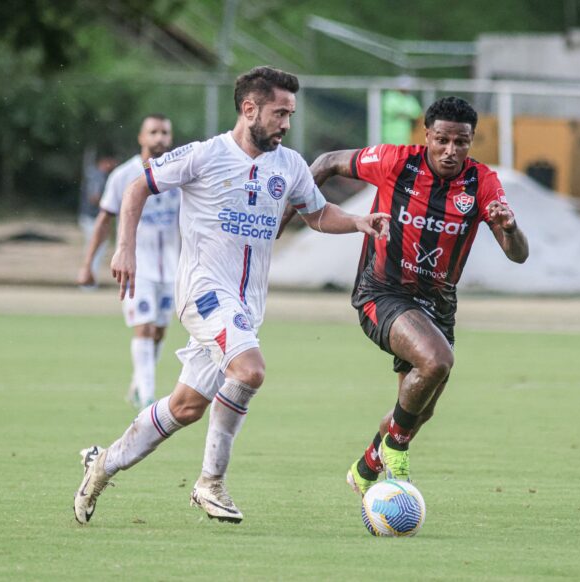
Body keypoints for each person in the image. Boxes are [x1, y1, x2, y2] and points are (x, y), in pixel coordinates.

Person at [73, 66, 390, 526]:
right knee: (250, 369)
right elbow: (139, 184)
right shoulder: (204, 155)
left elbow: (318, 214)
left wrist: (359, 222)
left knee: (185, 407)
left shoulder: (290, 165)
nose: (286, 123)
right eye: (279, 113)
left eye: (291, 114)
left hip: (246, 307)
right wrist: (124, 247)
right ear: (249, 109)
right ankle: (209, 483)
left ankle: (102, 465)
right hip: (203, 292)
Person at [307, 96, 529, 495]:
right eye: (441, 140)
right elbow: (326, 162)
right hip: (382, 292)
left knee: (419, 409)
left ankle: (367, 465)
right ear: (426, 135)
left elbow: (518, 256)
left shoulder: (482, 183)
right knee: (437, 360)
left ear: (471, 140)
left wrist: (509, 228)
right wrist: (288, 212)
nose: (450, 151)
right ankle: (395, 450)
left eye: (460, 142)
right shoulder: (396, 161)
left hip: (438, 304)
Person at [76, 114, 181, 410]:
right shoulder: (123, 175)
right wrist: (88, 264)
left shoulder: (179, 175)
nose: (160, 137)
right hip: (138, 266)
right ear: (141, 137)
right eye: (154, 132)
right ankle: (147, 396)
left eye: (164, 132)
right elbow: (103, 220)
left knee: (159, 331)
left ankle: (138, 384)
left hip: (171, 267)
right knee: (144, 327)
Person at [78, 151, 117, 286]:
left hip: (89, 216)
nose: (113, 165)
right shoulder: (98, 175)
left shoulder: (93, 174)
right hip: (92, 218)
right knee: (95, 249)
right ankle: (87, 280)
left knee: (95, 249)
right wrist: (110, 204)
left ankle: (88, 278)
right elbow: (94, 197)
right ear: (105, 161)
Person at [381, 75, 423, 145]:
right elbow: (391, 111)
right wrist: (407, 115)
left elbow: (417, 115)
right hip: (389, 135)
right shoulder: (390, 96)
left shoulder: (410, 99)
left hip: (405, 136)